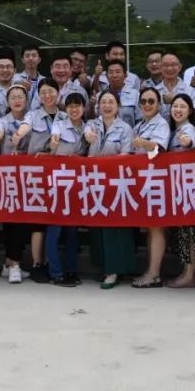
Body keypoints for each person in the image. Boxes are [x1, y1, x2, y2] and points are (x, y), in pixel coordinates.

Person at [16, 78, 68, 282]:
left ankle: (51, 262)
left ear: (58, 93)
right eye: (43, 92)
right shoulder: (33, 115)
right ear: (38, 95)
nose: (47, 95)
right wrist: (19, 134)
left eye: (51, 91)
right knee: (38, 221)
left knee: (54, 220)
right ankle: (38, 264)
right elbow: (25, 126)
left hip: (60, 175)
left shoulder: (65, 116)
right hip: (36, 174)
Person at [86, 90, 138, 289]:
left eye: (111, 102)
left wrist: (105, 163)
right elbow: (85, 142)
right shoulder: (92, 125)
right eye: (104, 102)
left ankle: (115, 270)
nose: (107, 106)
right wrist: (87, 137)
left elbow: (127, 155)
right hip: (94, 182)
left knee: (114, 227)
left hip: (117, 183)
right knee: (97, 225)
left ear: (118, 106)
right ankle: (103, 267)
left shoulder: (125, 128)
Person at [46, 92, 89, 287]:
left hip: (78, 185)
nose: (74, 109)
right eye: (70, 106)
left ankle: (71, 270)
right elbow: (54, 138)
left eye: (77, 105)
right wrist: (54, 143)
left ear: (84, 108)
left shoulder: (88, 127)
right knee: (54, 229)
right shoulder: (60, 124)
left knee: (72, 230)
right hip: (57, 184)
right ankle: (55, 272)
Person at [0, 84, 33, 284]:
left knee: (24, 220)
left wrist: (20, 136)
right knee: (11, 220)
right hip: (7, 177)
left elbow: (28, 129)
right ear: (7, 102)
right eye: (13, 97)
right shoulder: (2, 120)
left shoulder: (32, 117)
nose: (17, 100)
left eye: (20, 96)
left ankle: (9, 262)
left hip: (29, 177)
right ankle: (14, 263)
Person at [131, 87, 171, 289]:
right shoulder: (139, 125)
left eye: (151, 101)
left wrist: (144, 143)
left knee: (156, 226)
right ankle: (150, 271)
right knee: (150, 227)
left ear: (159, 105)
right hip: (142, 181)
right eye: (144, 101)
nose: (147, 105)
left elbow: (158, 147)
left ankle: (154, 274)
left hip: (155, 180)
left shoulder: (161, 124)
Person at [165, 94, 195, 289]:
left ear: (190, 111)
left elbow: (190, 141)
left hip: (188, 188)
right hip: (177, 187)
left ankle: (190, 274)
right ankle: (186, 272)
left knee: (189, 232)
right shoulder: (174, 130)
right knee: (182, 231)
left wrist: (187, 141)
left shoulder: (187, 129)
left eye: (182, 106)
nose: (178, 110)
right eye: (175, 106)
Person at [103, 60, 140, 127]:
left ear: (125, 75)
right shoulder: (100, 96)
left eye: (118, 72)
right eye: (110, 72)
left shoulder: (135, 95)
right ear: (106, 76)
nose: (114, 75)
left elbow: (140, 120)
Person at [155, 51, 192, 118]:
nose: (169, 68)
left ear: (180, 67)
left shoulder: (189, 90)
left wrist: (175, 99)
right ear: (160, 68)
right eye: (166, 65)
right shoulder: (154, 91)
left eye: (173, 64)